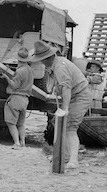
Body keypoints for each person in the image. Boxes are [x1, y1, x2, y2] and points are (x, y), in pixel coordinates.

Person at [33, 40, 91, 170]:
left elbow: (66, 88)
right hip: (75, 95)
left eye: (41, 59)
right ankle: (63, 156)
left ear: (46, 58)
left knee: (70, 126)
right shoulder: (55, 65)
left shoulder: (60, 67)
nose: (41, 62)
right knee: (57, 123)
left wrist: (65, 108)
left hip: (80, 95)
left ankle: (73, 160)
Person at [0, 47, 35, 149]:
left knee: (11, 122)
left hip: (16, 98)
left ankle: (16, 143)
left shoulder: (20, 71)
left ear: (18, 60)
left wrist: (6, 77)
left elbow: (14, 85)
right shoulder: (30, 70)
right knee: (21, 123)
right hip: (25, 99)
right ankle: (23, 143)